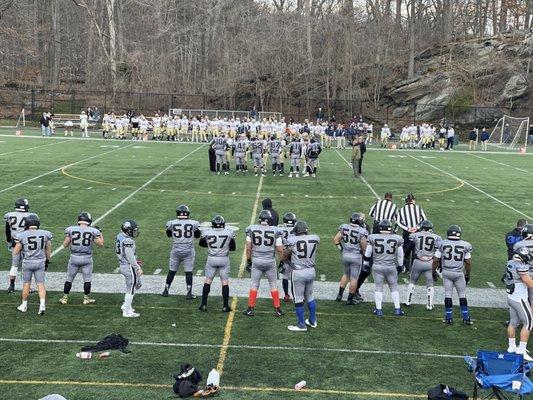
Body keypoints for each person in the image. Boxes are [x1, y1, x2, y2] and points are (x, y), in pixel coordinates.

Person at [243, 210, 284, 317]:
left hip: (256, 260)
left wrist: (248, 260)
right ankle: (278, 309)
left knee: (254, 284)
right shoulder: (276, 230)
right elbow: (280, 249)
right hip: (270, 261)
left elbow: (248, 247)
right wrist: (282, 260)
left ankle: (250, 308)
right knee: (273, 285)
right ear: (270, 219)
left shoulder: (251, 229)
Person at [59, 212, 103, 305]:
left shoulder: (71, 230)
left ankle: (64, 298)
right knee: (87, 279)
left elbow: (65, 245)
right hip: (87, 258)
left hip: (74, 257)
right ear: (89, 221)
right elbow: (100, 243)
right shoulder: (92, 231)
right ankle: (86, 298)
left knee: (69, 278)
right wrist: (100, 232)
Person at [363, 219, 405, 317]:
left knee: (378, 287)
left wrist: (365, 263)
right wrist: (400, 265)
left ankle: (379, 310)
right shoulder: (397, 238)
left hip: (377, 266)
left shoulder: (372, 237)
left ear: (380, 228)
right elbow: (400, 255)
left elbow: (368, 253)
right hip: (391, 266)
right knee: (394, 287)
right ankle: (397, 309)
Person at [283, 221, 320, 331]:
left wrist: (289, 262)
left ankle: (301, 324)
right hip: (311, 271)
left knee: (298, 298)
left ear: (295, 231)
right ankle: (313, 321)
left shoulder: (292, 240)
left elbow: (285, 256)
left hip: (298, 272)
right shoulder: (315, 238)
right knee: (310, 296)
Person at [433, 225, 473, 325]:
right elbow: (468, 262)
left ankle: (449, 318)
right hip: (459, 273)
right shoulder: (466, 245)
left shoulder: (441, 244)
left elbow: (435, 260)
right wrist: (467, 274)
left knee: (448, 294)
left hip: (446, 272)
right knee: (462, 295)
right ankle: (466, 318)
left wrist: (433, 271)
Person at [14, 214, 52, 315]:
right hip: (40, 262)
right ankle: (42, 304)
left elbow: (16, 252)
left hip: (28, 262)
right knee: (40, 284)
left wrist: (20, 246)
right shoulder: (45, 234)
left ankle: (24, 305)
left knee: (26, 284)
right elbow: (48, 249)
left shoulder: (22, 235)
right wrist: (47, 260)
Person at [162, 205, 201, 299]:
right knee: (188, 272)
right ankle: (189, 292)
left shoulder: (171, 223)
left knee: (171, 271)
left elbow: (168, 234)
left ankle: (166, 290)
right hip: (188, 250)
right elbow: (197, 235)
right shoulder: (194, 223)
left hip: (176, 250)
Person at [198, 215, 236, 312]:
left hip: (211, 258)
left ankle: (203, 305)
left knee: (208, 280)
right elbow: (233, 248)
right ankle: (225, 306)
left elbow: (201, 244)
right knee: (224, 282)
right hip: (224, 259)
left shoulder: (207, 232)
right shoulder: (229, 233)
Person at [503, 247, 533, 361]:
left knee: (513, 322)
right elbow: (528, 282)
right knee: (529, 323)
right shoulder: (520, 265)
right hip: (519, 298)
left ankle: (511, 346)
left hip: (511, 296)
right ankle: (521, 350)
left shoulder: (510, 262)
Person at [404, 220, 441, 310]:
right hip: (430, 262)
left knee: (412, 281)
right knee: (430, 283)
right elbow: (439, 252)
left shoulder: (415, 235)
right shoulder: (436, 237)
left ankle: (408, 301)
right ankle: (429, 305)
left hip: (418, 261)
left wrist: (405, 257)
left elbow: (409, 248)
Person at [334, 213, 368, 305]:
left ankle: (339, 295)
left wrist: (342, 250)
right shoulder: (361, 231)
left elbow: (336, 240)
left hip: (345, 255)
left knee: (346, 275)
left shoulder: (344, 227)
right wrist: (366, 257)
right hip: (356, 256)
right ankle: (350, 300)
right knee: (354, 278)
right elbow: (364, 247)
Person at [5, 198, 36, 293]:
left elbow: (7, 231)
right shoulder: (32, 216)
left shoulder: (9, 215)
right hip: (26, 242)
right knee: (26, 265)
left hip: (15, 242)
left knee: (14, 265)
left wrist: (9, 242)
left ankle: (11, 286)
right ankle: (27, 287)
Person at [116, 220, 143, 318]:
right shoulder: (128, 240)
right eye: (133, 230)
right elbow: (129, 255)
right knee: (131, 287)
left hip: (124, 264)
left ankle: (126, 305)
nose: (135, 232)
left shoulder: (120, 236)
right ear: (128, 230)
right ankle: (126, 310)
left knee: (138, 284)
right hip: (128, 266)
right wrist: (137, 267)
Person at [396, 193, 427, 271]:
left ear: (406, 201)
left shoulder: (402, 209)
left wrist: (407, 229)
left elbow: (398, 221)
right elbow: (424, 219)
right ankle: (414, 267)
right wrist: (417, 227)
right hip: (417, 232)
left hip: (407, 232)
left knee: (405, 250)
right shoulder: (418, 208)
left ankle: (405, 267)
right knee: (416, 250)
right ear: (413, 200)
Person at [278, 212, 297, 302]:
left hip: (285, 253)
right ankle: (297, 295)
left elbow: (277, 244)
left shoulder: (280, 230)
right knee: (296, 275)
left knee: (285, 275)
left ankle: (286, 295)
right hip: (294, 254)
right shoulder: (297, 229)